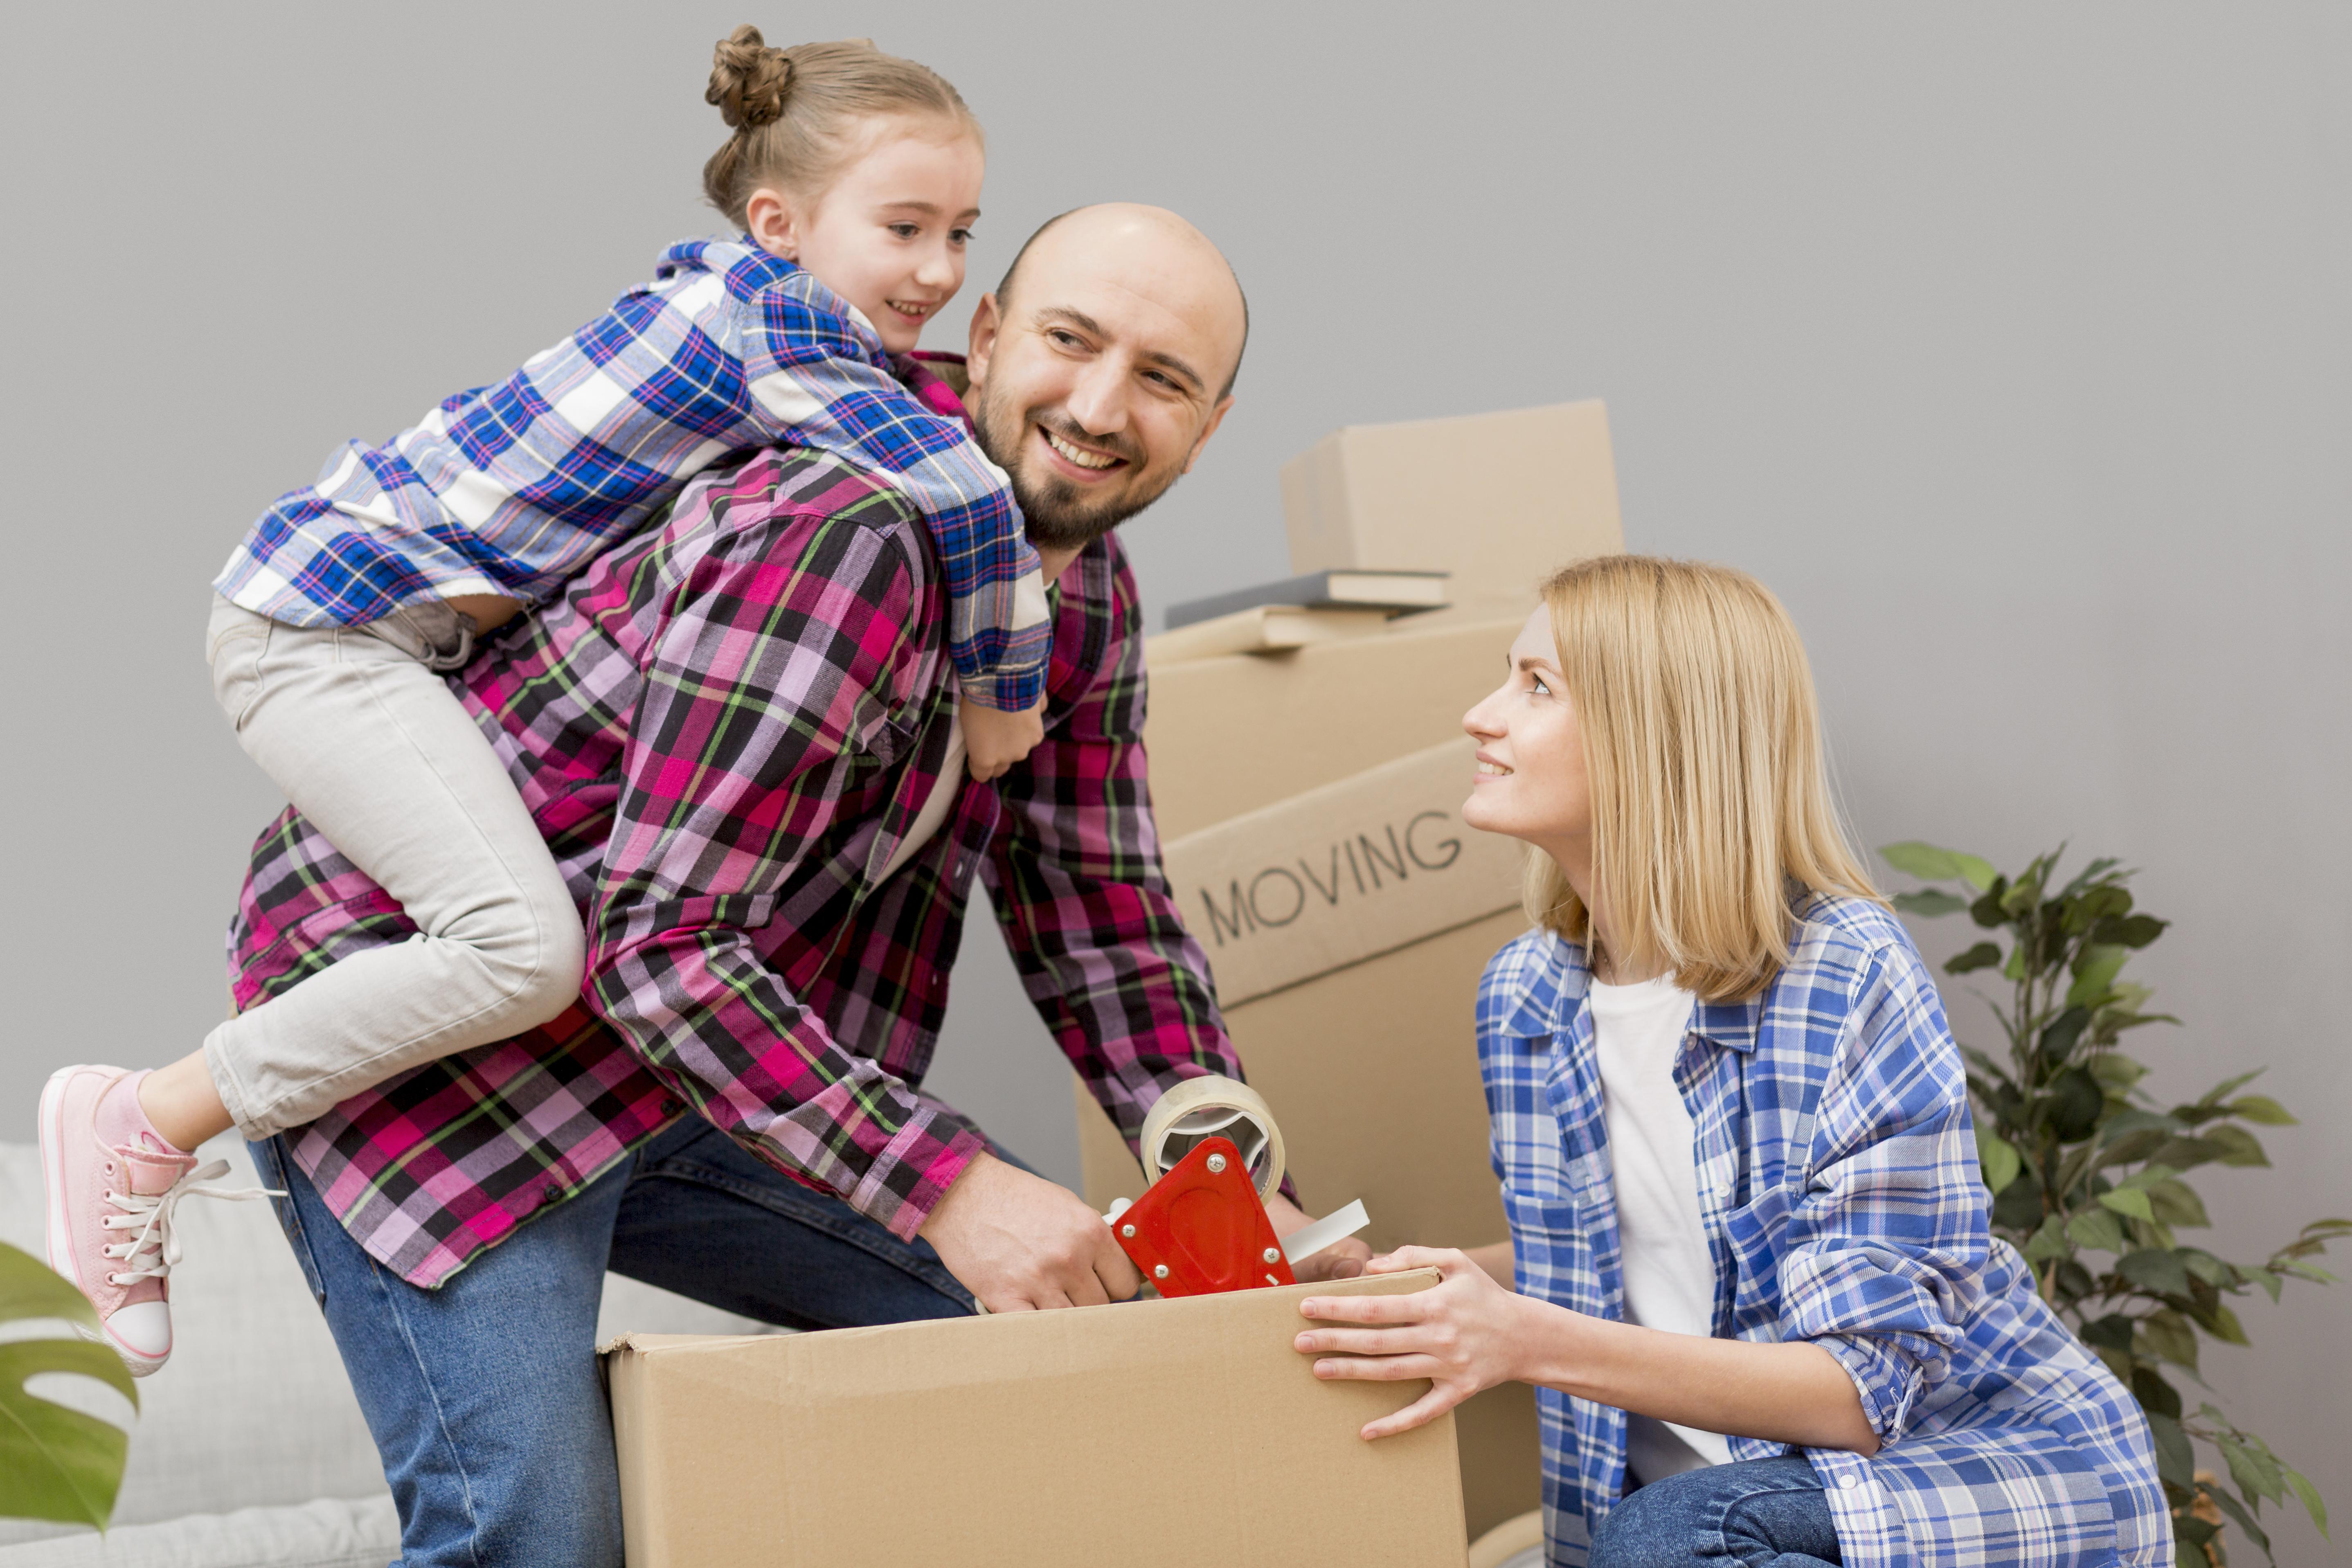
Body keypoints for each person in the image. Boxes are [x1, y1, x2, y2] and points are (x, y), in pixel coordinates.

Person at [194, 202, 1365, 1568]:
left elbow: (1099, 911)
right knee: (538, 1540)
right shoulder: (847, 526)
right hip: (451, 1062)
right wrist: (949, 1187)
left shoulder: (1083, 592)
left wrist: (1229, 1179)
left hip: (697, 1068)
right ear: (984, 339)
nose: (1100, 407)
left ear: (1210, 421)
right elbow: (660, 947)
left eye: (1162, 379)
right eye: (1069, 341)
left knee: (1074, 1337)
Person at [41, 28, 1063, 1377]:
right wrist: (1005, 692)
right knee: (522, 950)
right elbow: (960, 490)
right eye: (906, 228)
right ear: (783, 222)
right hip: (317, 623)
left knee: (523, 941)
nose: (938, 271)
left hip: (386, 629)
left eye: (963, 234)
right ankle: (147, 1116)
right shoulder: (781, 329)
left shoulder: (743, 303)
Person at [1290, 557, 2168, 1567]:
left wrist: (1519, 1338)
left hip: (1946, 1485)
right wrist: (1429, 1292)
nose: (1480, 716)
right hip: (1701, 1523)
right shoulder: (1527, 995)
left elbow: (1857, 1395)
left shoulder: (1839, 968)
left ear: (1654, 736)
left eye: (1537, 687)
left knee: (1670, 1531)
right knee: (1657, 1534)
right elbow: (1635, 1249)